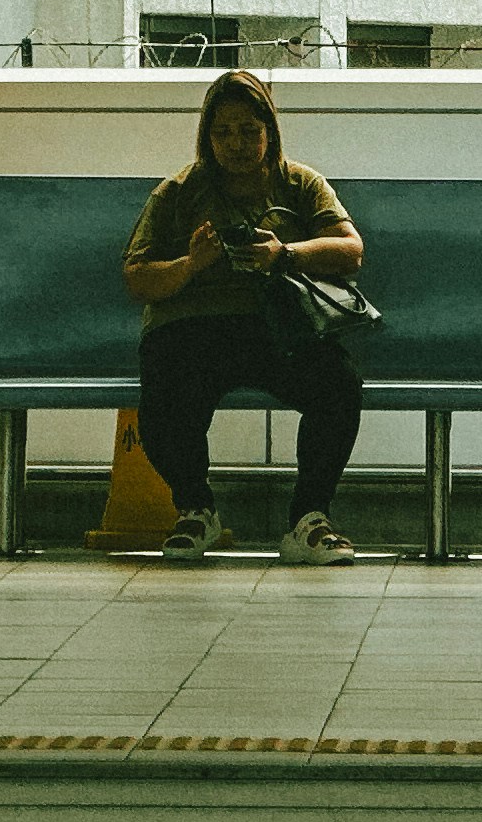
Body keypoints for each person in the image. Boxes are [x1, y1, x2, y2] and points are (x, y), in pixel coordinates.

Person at [121, 69, 367, 566]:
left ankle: (309, 519)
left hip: (276, 324)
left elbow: (350, 249)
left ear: (269, 132)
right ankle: (195, 508)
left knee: (338, 384)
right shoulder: (177, 193)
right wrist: (192, 265)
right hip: (194, 328)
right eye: (223, 133)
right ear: (206, 137)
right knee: (165, 384)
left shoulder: (299, 184)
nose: (236, 144)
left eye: (249, 131)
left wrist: (285, 254)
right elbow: (138, 275)